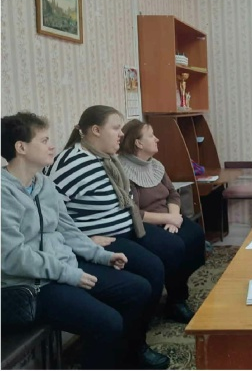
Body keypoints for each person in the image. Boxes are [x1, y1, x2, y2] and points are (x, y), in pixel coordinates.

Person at [1, 112, 152, 369]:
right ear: (21, 147)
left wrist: (101, 255)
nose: (52, 146)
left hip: (62, 270)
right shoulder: (4, 193)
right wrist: (68, 274)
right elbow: (13, 257)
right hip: (29, 286)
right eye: (44, 140)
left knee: (138, 289)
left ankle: (126, 359)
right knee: (108, 322)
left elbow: (69, 230)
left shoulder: (43, 184)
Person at [44, 105, 170, 369]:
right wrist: (86, 239)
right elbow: (53, 214)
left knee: (161, 260)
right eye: (116, 128)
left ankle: (134, 338)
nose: (121, 134)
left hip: (124, 229)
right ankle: (132, 345)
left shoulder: (106, 158)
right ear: (95, 130)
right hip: (98, 239)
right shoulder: (70, 164)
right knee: (148, 273)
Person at [118, 119, 205, 323]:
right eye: (151, 135)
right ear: (138, 143)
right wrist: (168, 218)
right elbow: (134, 211)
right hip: (145, 223)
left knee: (195, 235)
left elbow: (173, 194)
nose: (157, 139)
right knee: (175, 247)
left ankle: (177, 285)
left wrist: (174, 219)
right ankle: (176, 300)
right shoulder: (123, 170)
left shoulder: (156, 165)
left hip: (168, 217)